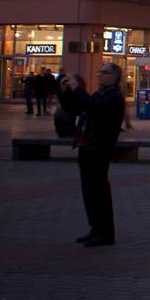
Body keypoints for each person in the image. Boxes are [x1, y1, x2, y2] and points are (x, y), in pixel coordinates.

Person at [59, 64, 125, 246]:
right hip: (87, 145)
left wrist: (77, 88)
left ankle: (104, 233)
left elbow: (93, 108)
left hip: (100, 148)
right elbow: (78, 108)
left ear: (114, 76)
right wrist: (65, 92)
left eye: (103, 73)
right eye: (99, 72)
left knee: (98, 191)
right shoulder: (100, 93)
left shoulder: (114, 97)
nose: (99, 76)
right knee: (89, 191)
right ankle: (95, 228)